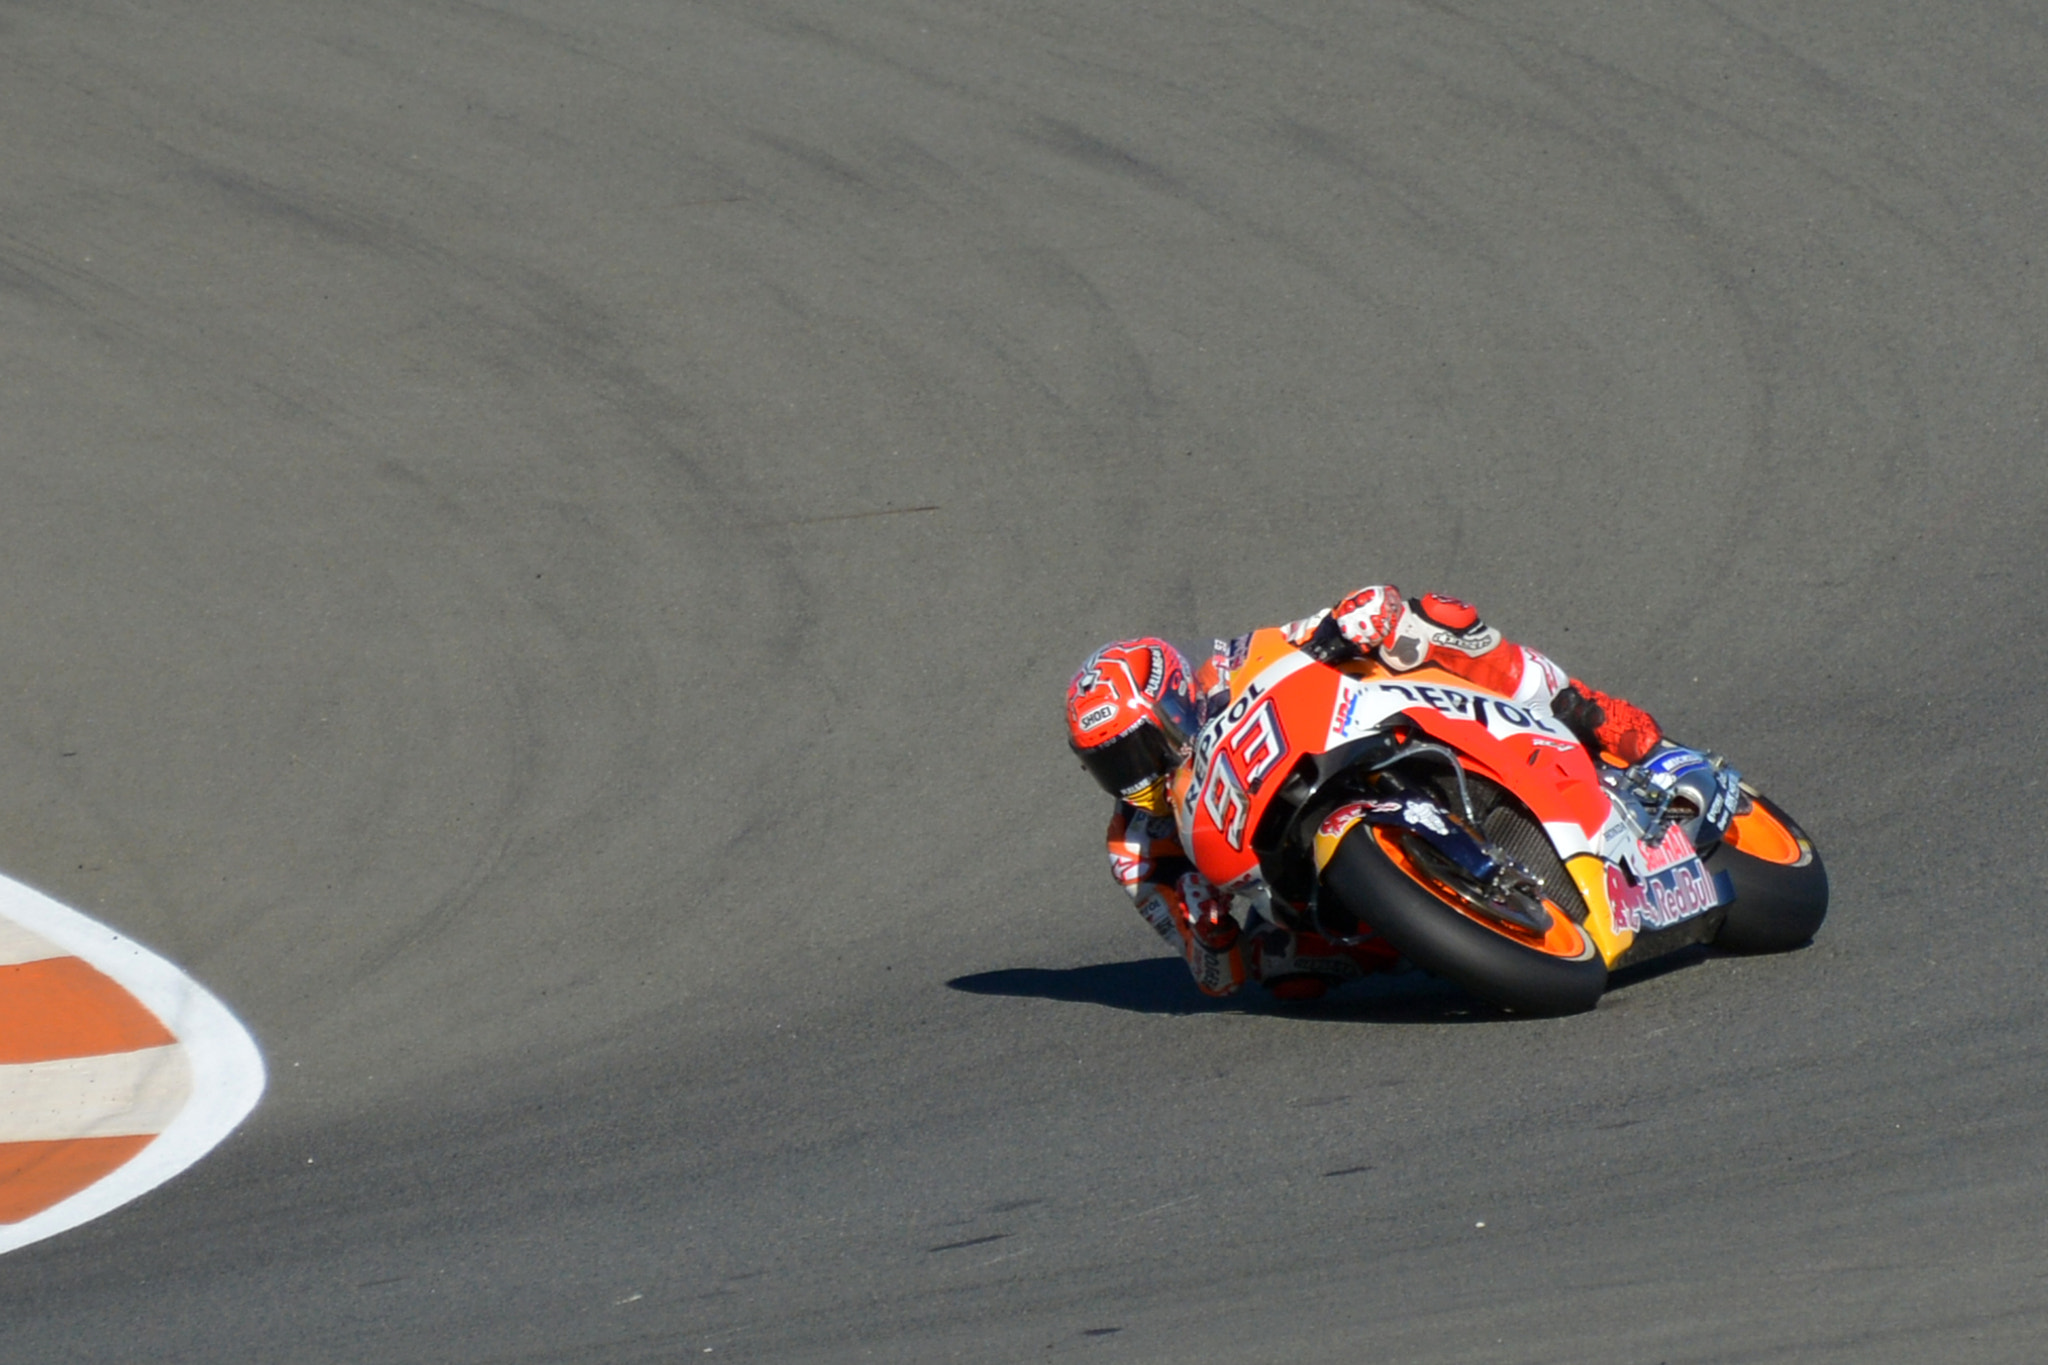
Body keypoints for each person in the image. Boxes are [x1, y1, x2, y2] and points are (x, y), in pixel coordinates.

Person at [1063, 586, 1736, 1001]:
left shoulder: (1235, 664)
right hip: (1298, 885)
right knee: (1283, 973)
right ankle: (1446, 928)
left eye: (1137, 750)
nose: (1131, 777)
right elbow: (1217, 976)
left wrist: (1354, 620)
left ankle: (1601, 720)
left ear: (1175, 704)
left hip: (1356, 744)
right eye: (1108, 766)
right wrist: (1207, 929)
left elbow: (1336, 621)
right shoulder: (1135, 845)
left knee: (1436, 619)